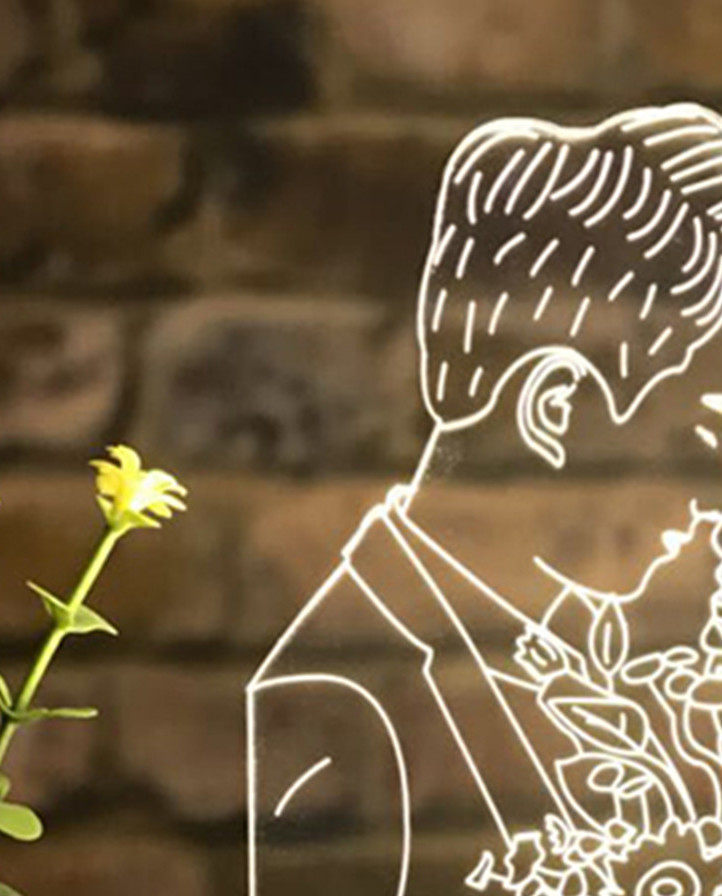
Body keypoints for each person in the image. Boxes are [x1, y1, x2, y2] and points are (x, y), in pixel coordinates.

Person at [247, 104, 722, 896]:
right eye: (708, 434)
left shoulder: (614, 658)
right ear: (555, 411)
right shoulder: (344, 705)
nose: (714, 502)